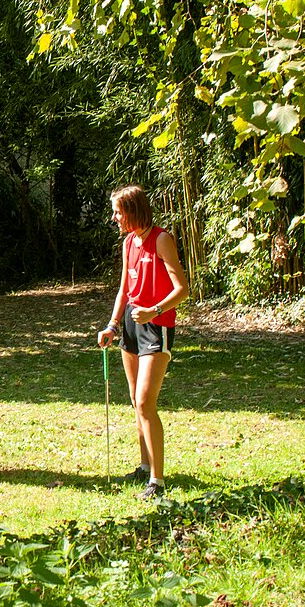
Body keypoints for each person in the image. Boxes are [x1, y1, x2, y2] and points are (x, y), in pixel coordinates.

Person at [96, 185, 189, 500]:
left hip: (156, 326)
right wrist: (111, 325)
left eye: (118, 212)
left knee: (146, 402)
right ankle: (143, 466)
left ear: (133, 210)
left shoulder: (161, 239)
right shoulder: (128, 243)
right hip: (131, 327)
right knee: (137, 402)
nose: (114, 218)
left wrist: (156, 310)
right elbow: (124, 289)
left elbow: (182, 288)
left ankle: (157, 481)